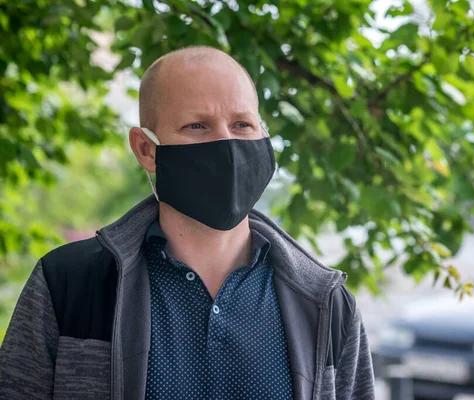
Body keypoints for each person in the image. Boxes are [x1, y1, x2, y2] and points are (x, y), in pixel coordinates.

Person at [0, 46, 374, 400]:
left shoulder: (326, 304)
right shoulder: (67, 285)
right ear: (147, 149)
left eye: (242, 124)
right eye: (197, 126)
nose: (226, 145)